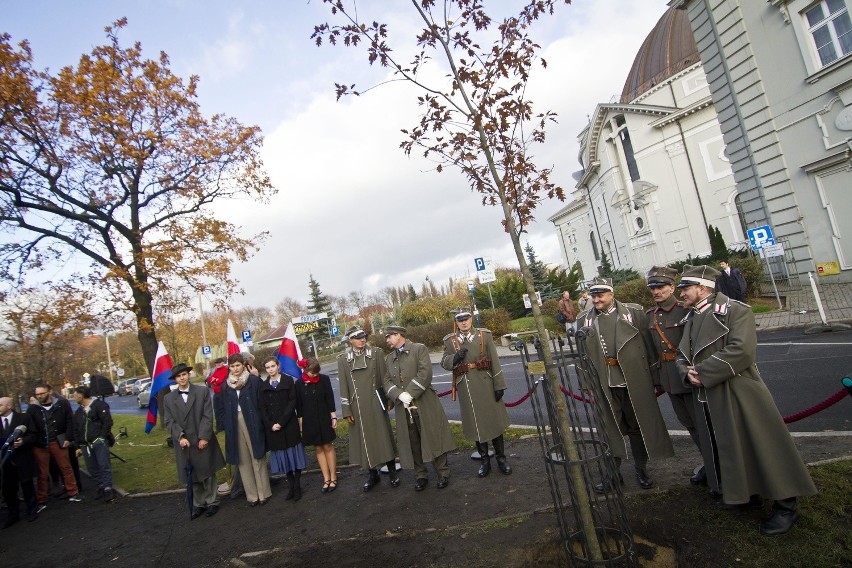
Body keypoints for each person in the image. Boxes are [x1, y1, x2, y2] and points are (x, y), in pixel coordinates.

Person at [676, 265, 817, 536]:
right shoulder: (692, 318)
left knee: (763, 447)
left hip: (739, 391)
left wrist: (702, 373)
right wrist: (686, 372)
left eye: (685, 289)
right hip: (709, 394)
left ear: (703, 288)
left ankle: (786, 506)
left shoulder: (736, 311)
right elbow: (682, 355)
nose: (681, 294)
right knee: (732, 448)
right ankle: (745, 494)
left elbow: (742, 351)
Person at [576, 277, 673, 491]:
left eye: (601, 294)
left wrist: (655, 380)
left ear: (612, 294)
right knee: (610, 429)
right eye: (593, 295)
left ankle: (641, 468)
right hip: (604, 382)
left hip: (634, 380)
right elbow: (581, 357)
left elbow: (649, 348)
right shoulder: (584, 319)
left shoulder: (634, 313)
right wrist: (586, 384)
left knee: (638, 426)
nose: (596, 299)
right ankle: (612, 473)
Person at [645, 266, 718, 493]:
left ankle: (717, 469)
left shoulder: (685, 311)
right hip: (669, 381)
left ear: (672, 287)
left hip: (689, 377)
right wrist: (657, 380)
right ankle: (709, 464)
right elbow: (652, 352)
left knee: (704, 426)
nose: (656, 292)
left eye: (661, 287)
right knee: (690, 426)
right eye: (653, 288)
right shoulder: (651, 316)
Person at [383, 325, 456, 491]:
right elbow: (386, 381)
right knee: (412, 440)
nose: (387, 340)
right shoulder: (389, 358)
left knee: (433, 436)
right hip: (404, 407)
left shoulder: (418, 349)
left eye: (389, 337)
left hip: (424, 403)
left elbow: (425, 373)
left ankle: (442, 472)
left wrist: (409, 393)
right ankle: (420, 475)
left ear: (398, 335)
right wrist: (398, 395)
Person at [441, 310, 511, 477]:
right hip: (466, 387)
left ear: (471, 319)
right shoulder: (450, 340)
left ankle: (501, 459)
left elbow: (494, 360)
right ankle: (485, 460)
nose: (464, 323)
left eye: (466, 319)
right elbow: (444, 362)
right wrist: (454, 358)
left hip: (485, 383)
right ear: (456, 322)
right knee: (475, 424)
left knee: (494, 421)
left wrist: (499, 385)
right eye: (460, 320)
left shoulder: (483, 335)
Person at [338, 325, 400, 492]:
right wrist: (346, 410)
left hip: (376, 401)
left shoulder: (377, 353)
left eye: (363, 336)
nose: (362, 339)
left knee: (383, 436)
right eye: (357, 337)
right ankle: (372, 474)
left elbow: (384, 377)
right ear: (350, 340)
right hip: (357, 405)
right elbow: (344, 386)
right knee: (364, 440)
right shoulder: (343, 359)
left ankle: (392, 471)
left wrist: (388, 398)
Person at [163, 362, 226, 519]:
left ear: (188, 375)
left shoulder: (202, 391)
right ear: (175, 379)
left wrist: (204, 436)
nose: (182, 378)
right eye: (178, 376)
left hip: (201, 438)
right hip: (185, 443)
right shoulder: (168, 398)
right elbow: (169, 420)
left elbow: (207, 415)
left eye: (184, 374)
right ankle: (199, 503)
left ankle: (212, 501)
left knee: (207, 471)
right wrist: (180, 436)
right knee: (191, 473)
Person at [214, 353, 272, 506]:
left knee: (257, 456)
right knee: (243, 459)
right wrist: (224, 424)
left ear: (243, 364)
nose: (235, 369)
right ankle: (252, 495)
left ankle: (263, 493)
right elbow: (221, 407)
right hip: (235, 423)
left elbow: (261, 401)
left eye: (238, 365)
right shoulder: (226, 385)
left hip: (252, 420)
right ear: (229, 368)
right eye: (232, 366)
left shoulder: (252, 380)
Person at [26, 382, 82, 510]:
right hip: (40, 444)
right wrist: (36, 440)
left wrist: (68, 438)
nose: (39, 396)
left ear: (49, 392)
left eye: (42, 393)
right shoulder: (33, 408)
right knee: (42, 473)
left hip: (58, 441)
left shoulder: (62, 404)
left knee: (66, 467)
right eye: (37, 394)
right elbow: (31, 426)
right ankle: (42, 499)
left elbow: (69, 420)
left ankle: (73, 492)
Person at [259, 356, 307, 502]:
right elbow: (262, 408)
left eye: (273, 366)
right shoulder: (263, 386)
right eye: (267, 367)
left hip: (288, 424)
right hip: (274, 429)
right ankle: (291, 486)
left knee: (294, 457)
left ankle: (297, 486)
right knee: (284, 459)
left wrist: (281, 422)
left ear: (278, 366)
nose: (271, 369)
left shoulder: (287, 381)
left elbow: (292, 402)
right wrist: (270, 424)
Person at [295, 358, 339, 494]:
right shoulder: (299, 383)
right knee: (318, 448)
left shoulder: (324, 379)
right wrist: (301, 423)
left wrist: (333, 416)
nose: (314, 375)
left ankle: (333, 477)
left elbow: (330, 398)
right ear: (305, 370)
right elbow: (299, 405)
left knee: (327, 445)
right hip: (309, 420)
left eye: (316, 373)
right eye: (311, 373)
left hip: (324, 416)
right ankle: (326, 478)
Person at [72, 385, 115, 502]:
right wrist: (78, 445)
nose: (73, 397)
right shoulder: (79, 412)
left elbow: (107, 422)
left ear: (81, 395)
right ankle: (101, 486)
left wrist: (101, 437)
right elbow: (76, 428)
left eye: (75, 395)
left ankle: (108, 488)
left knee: (104, 465)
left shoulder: (99, 406)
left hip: (98, 441)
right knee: (92, 468)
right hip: (85, 444)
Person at [0, 396, 38, 526]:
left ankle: (32, 510)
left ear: (9, 406)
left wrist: (23, 441)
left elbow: (33, 435)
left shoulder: (24, 418)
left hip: (22, 457)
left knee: (27, 485)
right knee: (8, 488)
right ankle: (13, 514)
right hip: (4, 461)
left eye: (0, 405)